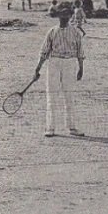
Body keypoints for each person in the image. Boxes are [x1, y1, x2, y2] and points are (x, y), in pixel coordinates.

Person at [33, 7, 85, 137]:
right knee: (52, 95)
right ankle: (50, 128)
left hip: (69, 63)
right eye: (62, 14)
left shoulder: (75, 32)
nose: (64, 17)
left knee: (69, 96)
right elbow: (44, 52)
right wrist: (38, 68)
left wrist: (81, 68)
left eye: (66, 14)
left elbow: (80, 52)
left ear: (70, 16)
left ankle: (72, 127)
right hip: (54, 63)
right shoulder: (52, 31)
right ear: (58, 16)